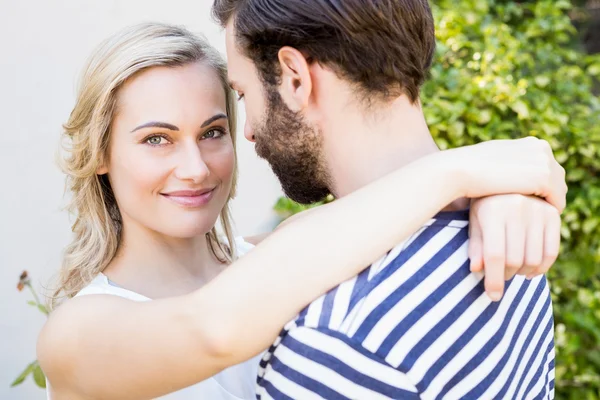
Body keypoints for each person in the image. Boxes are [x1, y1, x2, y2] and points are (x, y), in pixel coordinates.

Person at [37, 22, 566, 400]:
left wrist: (502, 195)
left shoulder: (290, 251)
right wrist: (466, 170)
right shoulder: (75, 334)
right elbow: (212, 330)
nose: (195, 167)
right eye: (157, 139)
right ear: (101, 153)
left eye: (214, 131)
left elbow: (386, 214)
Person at [212, 0, 563, 398]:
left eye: (242, 94)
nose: (250, 133)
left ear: (295, 78)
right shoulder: (512, 232)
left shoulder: (334, 343)